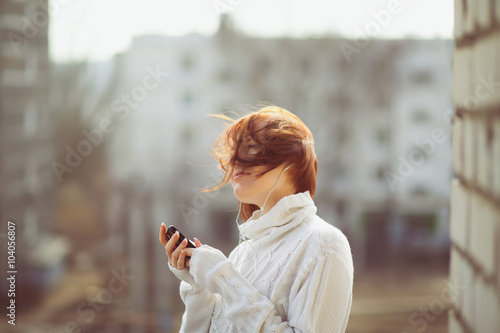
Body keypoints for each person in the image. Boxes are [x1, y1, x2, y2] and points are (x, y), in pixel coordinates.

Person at [158, 106, 354, 332]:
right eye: (235, 152)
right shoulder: (241, 254)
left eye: (251, 147)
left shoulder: (324, 244)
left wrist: (221, 276)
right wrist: (198, 286)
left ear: (295, 159)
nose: (235, 161)